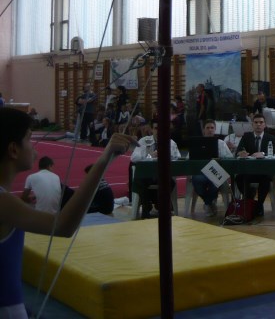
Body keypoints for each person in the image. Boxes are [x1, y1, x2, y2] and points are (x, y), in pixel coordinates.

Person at [0, 108, 135, 319]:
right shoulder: (5, 203)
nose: (34, 148)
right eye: (29, 139)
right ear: (13, 150)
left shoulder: (7, 202)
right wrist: (103, 160)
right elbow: (63, 226)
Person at [130, 121, 181, 218]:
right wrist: (149, 156)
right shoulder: (143, 141)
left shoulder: (171, 143)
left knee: (170, 182)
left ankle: (160, 204)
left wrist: (167, 156)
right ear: (152, 130)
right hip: (147, 174)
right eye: (156, 128)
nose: (159, 131)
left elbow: (177, 157)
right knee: (140, 179)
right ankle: (146, 208)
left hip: (163, 175)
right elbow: (133, 158)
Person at [235, 114, 275, 217]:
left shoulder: (270, 138)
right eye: (256, 122)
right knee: (239, 178)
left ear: (265, 125)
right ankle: (250, 201)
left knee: (266, 179)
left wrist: (263, 154)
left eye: (261, 122)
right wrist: (241, 153)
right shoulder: (246, 136)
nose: (258, 125)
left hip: (264, 171)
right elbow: (238, 151)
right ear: (252, 124)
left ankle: (259, 205)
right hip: (249, 171)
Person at [192, 119, 234, 217]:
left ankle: (208, 203)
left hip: (216, 172)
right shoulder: (197, 143)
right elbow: (189, 158)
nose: (210, 130)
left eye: (212, 128)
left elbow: (230, 158)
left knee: (216, 180)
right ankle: (210, 202)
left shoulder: (221, 143)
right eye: (208, 128)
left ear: (215, 130)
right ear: (203, 130)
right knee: (196, 180)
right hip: (200, 173)